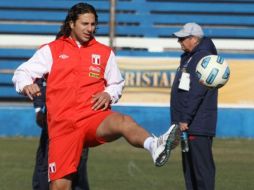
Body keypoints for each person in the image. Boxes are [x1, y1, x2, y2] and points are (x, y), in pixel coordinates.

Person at [12, 3, 180, 190]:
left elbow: (117, 83)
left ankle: (154, 145)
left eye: (93, 24)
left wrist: (108, 93)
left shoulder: (104, 52)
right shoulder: (52, 50)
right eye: (85, 24)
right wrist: (26, 84)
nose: (90, 29)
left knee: (123, 121)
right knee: (60, 186)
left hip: (92, 117)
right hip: (62, 126)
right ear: (71, 23)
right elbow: (22, 72)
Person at [170, 22, 218, 190]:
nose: (179, 42)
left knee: (201, 172)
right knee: (190, 172)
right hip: (189, 125)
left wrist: (184, 118)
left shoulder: (202, 58)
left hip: (196, 124)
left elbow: (196, 92)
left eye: (182, 39)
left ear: (194, 38)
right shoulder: (189, 57)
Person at [32, 77, 90, 190]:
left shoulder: (86, 63)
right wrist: (39, 109)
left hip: (78, 122)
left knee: (77, 170)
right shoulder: (50, 60)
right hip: (54, 123)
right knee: (44, 169)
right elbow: (39, 79)